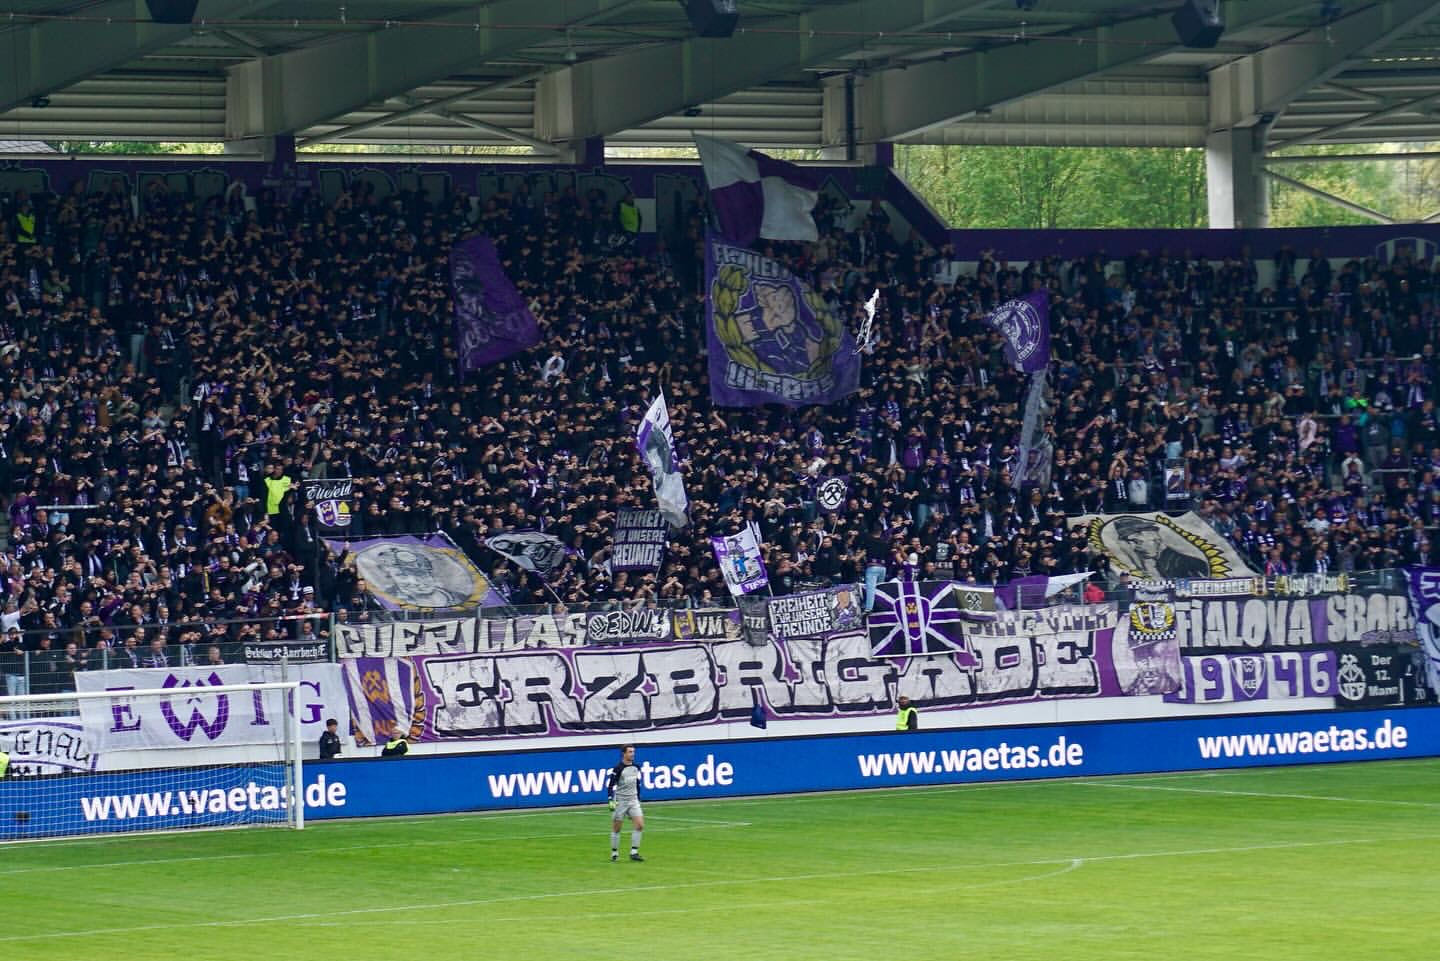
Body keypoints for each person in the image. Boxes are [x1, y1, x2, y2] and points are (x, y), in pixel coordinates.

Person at [1109, 516, 1210, 579]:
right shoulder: (1155, 565)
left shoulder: (1188, 564)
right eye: (1129, 543)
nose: (1134, 548)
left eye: (1136, 541)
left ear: (1154, 536)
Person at [605, 743, 645, 862]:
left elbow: (637, 783)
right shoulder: (618, 769)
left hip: (633, 801)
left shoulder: (636, 767)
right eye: (630, 752)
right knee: (617, 829)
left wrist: (638, 797)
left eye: (633, 752)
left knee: (640, 825)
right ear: (624, 753)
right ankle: (614, 852)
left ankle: (634, 852)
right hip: (621, 801)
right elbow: (610, 785)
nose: (632, 754)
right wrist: (611, 800)